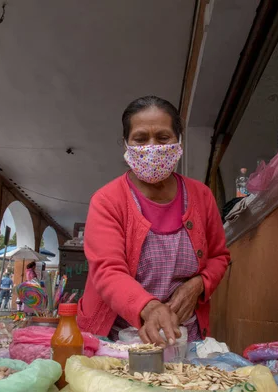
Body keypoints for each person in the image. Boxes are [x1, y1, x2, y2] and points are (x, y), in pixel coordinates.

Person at [78, 96, 230, 346]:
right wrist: (149, 307)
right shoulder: (107, 200)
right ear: (126, 143)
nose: (152, 147)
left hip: (183, 337)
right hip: (116, 337)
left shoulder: (201, 195)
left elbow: (218, 257)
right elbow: (108, 270)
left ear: (178, 141)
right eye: (140, 138)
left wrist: (198, 285)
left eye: (162, 137)